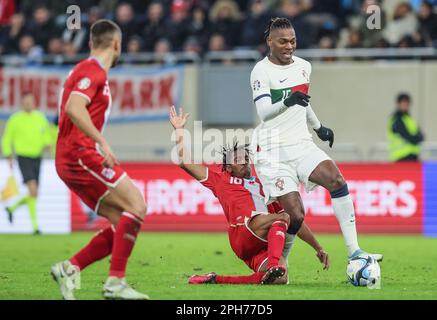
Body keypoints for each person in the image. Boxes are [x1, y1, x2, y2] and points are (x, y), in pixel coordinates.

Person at [250, 17, 383, 266]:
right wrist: (289, 100)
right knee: (295, 216)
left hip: (301, 143)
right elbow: (264, 112)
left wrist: (319, 127)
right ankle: (280, 263)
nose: (289, 46)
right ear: (270, 42)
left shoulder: (303, 66)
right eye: (283, 42)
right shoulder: (261, 71)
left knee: (336, 179)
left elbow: (303, 101)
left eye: (293, 41)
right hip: (272, 151)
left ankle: (355, 251)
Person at [169, 106, 329, 285]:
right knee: (282, 218)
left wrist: (318, 247)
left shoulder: (265, 185)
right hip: (242, 232)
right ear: (228, 168)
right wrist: (179, 130)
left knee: (280, 278)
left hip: (256, 246)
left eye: (246, 158)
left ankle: (215, 279)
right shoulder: (220, 180)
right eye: (237, 160)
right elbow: (184, 162)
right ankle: (274, 263)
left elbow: (296, 221)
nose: (244, 161)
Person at [50, 19, 149, 300]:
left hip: (73, 156)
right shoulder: (92, 71)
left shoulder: (89, 71)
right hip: (79, 155)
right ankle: (115, 282)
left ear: (92, 42)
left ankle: (70, 268)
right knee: (137, 204)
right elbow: (73, 107)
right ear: (116, 44)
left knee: (123, 220)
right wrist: (102, 141)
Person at [1, 92, 51, 235]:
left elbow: (46, 134)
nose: (29, 103)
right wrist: (8, 155)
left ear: (34, 102)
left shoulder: (40, 118)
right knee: (33, 189)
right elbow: (7, 138)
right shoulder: (15, 119)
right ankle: (35, 227)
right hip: (23, 157)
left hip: (37, 157)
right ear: (22, 103)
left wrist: (47, 144)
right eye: (26, 101)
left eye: (31, 101)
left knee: (33, 193)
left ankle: (11, 208)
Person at [387, 93, 424, 162]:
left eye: (407, 103)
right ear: (398, 104)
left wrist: (416, 138)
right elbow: (409, 137)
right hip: (400, 158)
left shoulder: (409, 119)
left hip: (413, 157)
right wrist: (416, 138)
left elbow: (422, 136)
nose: (405, 105)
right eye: (403, 103)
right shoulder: (396, 120)